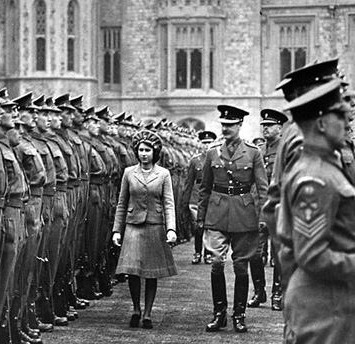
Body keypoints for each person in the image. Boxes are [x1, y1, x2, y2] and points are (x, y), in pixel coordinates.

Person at [278, 79, 355, 343]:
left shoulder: (322, 166)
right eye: (341, 115)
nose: (347, 122)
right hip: (325, 308)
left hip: (332, 299)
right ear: (321, 123)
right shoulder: (315, 178)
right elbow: (312, 255)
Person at [197, 105, 268, 333]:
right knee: (217, 263)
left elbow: (263, 188)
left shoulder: (253, 152)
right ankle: (219, 314)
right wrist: (201, 217)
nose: (225, 129)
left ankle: (239, 314)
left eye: (230, 125)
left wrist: (263, 217)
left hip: (244, 214)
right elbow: (205, 188)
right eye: (223, 125)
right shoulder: (212, 152)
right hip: (217, 214)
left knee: (240, 266)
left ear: (239, 125)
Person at [111, 130, 177, 330]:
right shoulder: (129, 173)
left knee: (151, 273)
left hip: (155, 226)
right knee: (132, 271)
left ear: (154, 152)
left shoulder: (163, 174)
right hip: (133, 226)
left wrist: (171, 229)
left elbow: (169, 203)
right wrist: (116, 230)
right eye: (141, 150)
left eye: (148, 150)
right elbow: (122, 203)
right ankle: (136, 309)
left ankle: (148, 313)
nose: (144, 154)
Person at [248, 109, 287, 311]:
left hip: (279, 209)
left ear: (280, 128)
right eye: (263, 125)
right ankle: (259, 291)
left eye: (269, 125)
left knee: (279, 254)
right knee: (255, 253)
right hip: (258, 208)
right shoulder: (258, 151)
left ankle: (277, 293)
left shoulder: (286, 150)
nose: (265, 128)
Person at [181, 130, 216, 265]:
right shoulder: (195, 161)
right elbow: (189, 182)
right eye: (204, 143)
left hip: (212, 197)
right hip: (196, 198)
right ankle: (197, 252)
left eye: (209, 143)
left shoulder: (217, 159)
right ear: (200, 144)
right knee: (198, 227)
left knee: (209, 227)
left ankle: (208, 253)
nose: (207, 145)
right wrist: (185, 201)